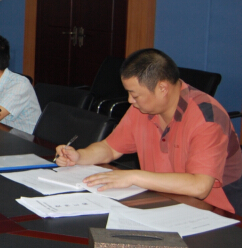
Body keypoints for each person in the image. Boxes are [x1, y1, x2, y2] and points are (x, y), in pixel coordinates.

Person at [56, 48, 242, 214]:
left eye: (135, 94)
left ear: (162, 88)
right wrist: (80, 156)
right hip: (164, 200)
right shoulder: (141, 109)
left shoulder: (207, 118)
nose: (130, 100)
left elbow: (199, 187)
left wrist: (134, 176)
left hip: (219, 214)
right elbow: (110, 148)